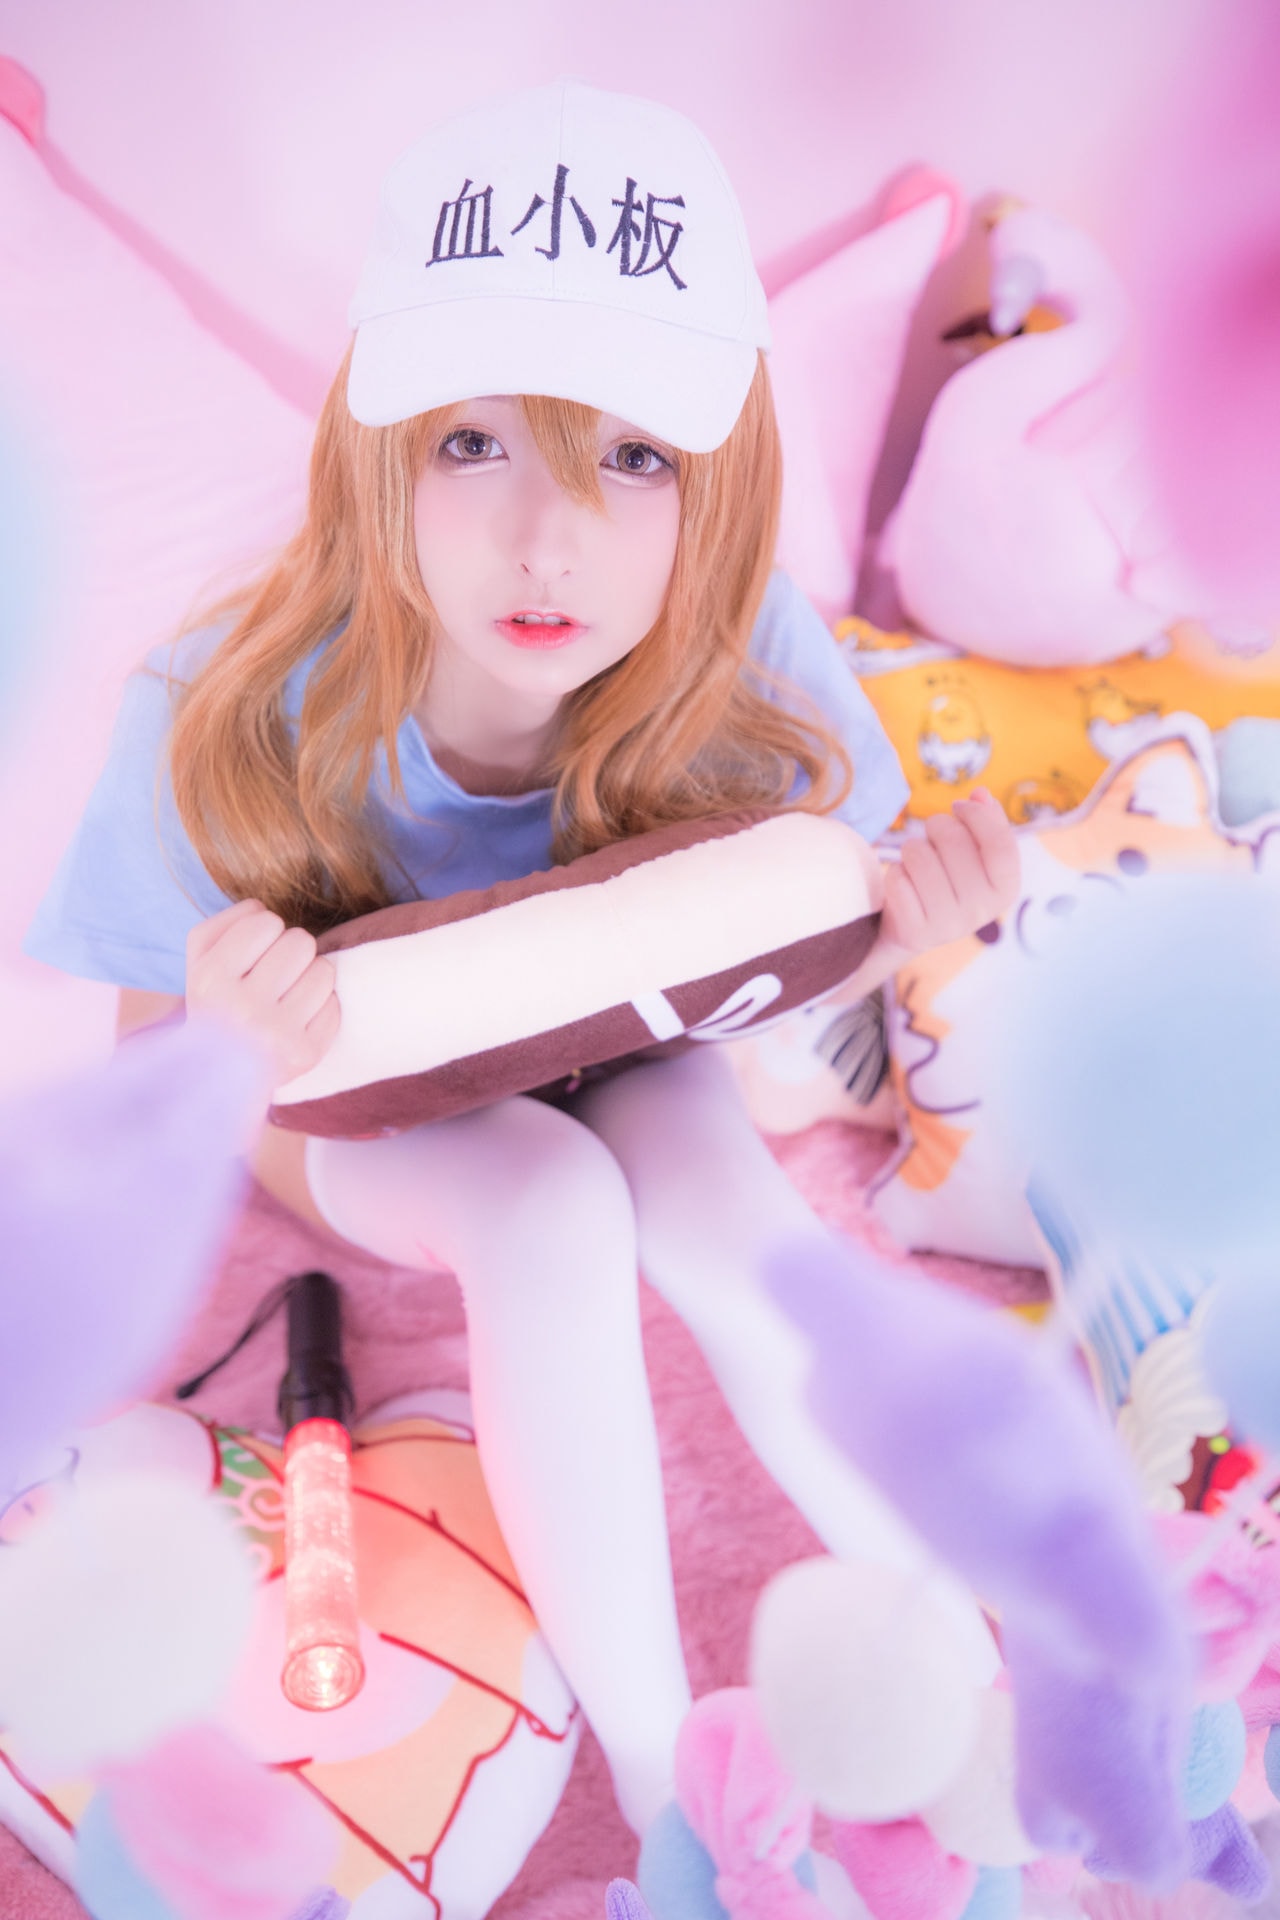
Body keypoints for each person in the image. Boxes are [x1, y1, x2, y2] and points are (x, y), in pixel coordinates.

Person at [25, 80, 1018, 1834]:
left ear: (715, 487)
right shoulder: (224, 705)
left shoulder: (744, 646)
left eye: (633, 458)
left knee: (727, 1215)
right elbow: (147, 1079)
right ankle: (666, 1794)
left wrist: (912, 928)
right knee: (548, 1212)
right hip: (363, 1107)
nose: (546, 539)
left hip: (635, 1043)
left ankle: (982, 1675)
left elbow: (808, 941)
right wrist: (228, 1044)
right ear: (376, 451)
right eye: (474, 444)